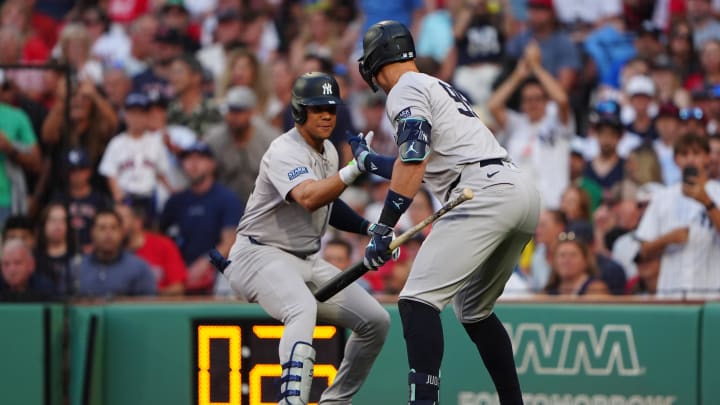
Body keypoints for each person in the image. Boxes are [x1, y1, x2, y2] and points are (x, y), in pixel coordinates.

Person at [352, 20, 540, 404]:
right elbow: (421, 161)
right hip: (517, 191)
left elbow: (415, 157)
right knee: (473, 310)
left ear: (374, 62)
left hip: (480, 193)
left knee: (416, 300)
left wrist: (384, 227)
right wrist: (371, 162)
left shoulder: (403, 89)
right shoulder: (433, 83)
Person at [219, 72, 390, 404]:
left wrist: (368, 227)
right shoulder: (283, 150)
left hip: (306, 260)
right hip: (259, 254)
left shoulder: (329, 152)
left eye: (330, 107)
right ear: (299, 112)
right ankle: (292, 400)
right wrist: (355, 169)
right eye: (316, 108)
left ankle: (335, 400)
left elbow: (327, 203)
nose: (326, 114)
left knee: (375, 321)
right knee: (302, 308)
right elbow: (309, 197)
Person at [635, 133, 720, 298]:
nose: (690, 159)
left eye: (696, 153)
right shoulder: (662, 197)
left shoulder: (717, 192)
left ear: (707, 157)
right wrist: (667, 239)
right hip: (671, 291)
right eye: (684, 154)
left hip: (712, 292)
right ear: (676, 160)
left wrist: (707, 202)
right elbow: (643, 251)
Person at [160, 141, 242, 295]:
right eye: (188, 159)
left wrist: (206, 262)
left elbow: (231, 241)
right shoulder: (175, 201)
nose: (193, 164)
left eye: (200, 159)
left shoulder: (226, 198)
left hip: (215, 272)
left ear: (212, 164)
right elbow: (160, 238)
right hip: (179, 272)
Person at [205, 86, 280, 202]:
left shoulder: (271, 139)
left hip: (262, 205)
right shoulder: (214, 140)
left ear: (251, 112)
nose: (233, 117)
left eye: (239, 111)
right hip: (226, 206)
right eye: (231, 111)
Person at [73, 209, 156, 298]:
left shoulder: (139, 269)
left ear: (121, 233)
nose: (108, 233)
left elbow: (148, 307)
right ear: (92, 233)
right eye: (102, 228)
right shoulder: (76, 267)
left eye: (114, 228)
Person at [116, 201, 187, 296]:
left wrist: (147, 297)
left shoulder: (163, 245)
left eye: (120, 219)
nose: (115, 225)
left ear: (137, 222)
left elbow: (178, 288)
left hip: (158, 307)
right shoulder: (108, 251)